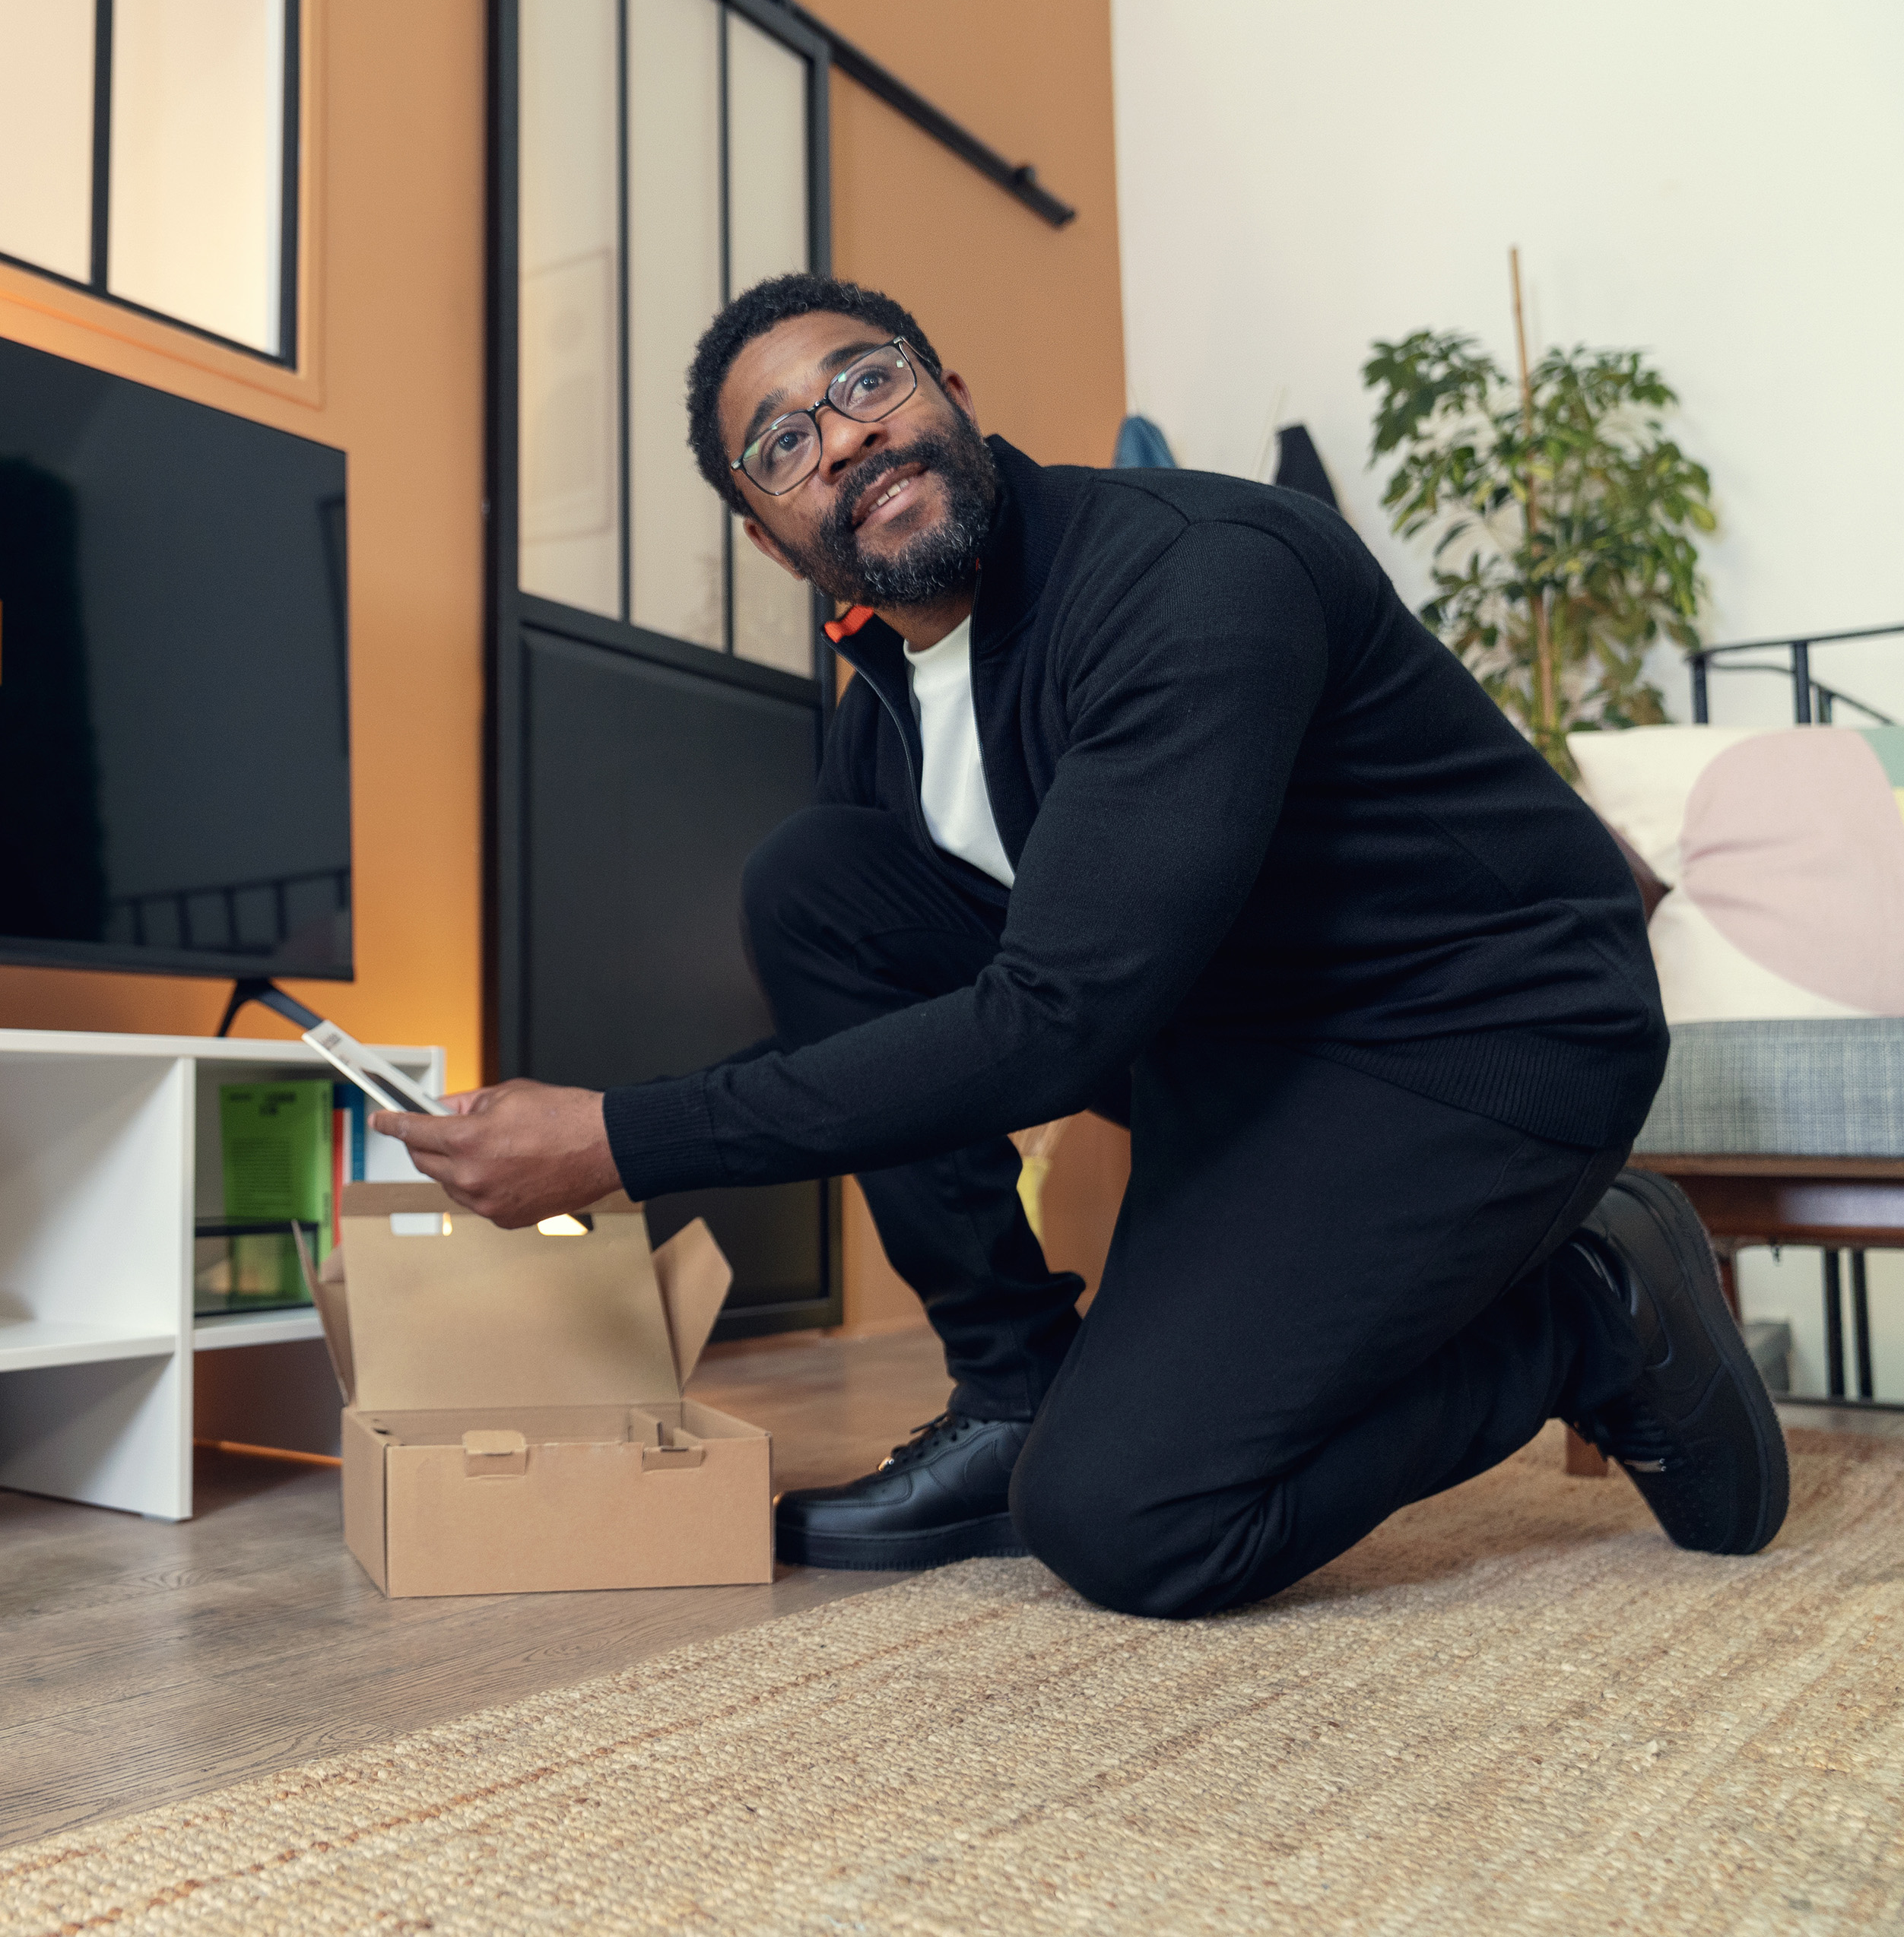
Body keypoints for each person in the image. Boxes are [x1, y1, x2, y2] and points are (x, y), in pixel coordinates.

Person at [374, 274, 1785, 1620]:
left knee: (1133, 1522)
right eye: (786, 442)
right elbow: (887, 1025)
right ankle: (1015, 1392)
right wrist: (589, 1126)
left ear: (955, 396)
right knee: (817, 881)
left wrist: (622, 1138)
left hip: (1476, 1039)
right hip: (1235, 1047)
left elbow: (1053, 1020)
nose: (850, 433)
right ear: (766, 533)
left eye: (870, 381)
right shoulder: (894, 698)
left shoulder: (1194, 577)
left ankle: (1590, 1313)